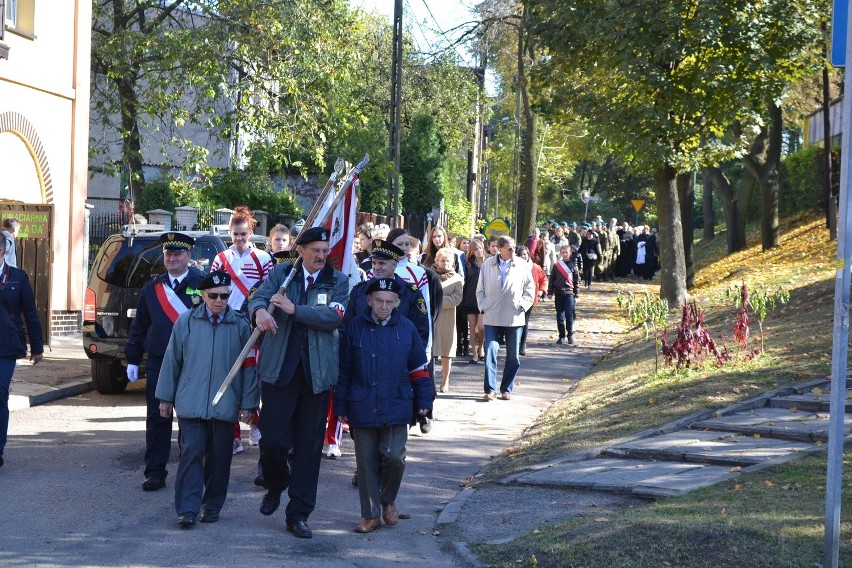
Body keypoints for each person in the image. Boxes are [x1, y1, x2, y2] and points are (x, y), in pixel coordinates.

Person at [250, 226, 349, 539]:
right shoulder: (282, 274)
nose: (322, 256)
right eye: (316, 251)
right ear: (301, 250)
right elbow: (258, 298)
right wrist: (258, 314)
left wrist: (296, 310)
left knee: (308, 448)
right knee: (272, 441)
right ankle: (276, 483)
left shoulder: (338, 280)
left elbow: (334, 317)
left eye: (325, 250)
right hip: (280, 371)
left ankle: (299, 514)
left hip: (316, 377)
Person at [155, 270, 258, 528]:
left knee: (220, 459)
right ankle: (187, 510)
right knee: (191, 454)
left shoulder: (241, 325)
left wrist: (248, 404)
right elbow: (172, 361)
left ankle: (212, 505)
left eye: (224, 295)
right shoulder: (186, 321)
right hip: (191, 402)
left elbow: (249, 368)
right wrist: (165, 398)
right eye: (213, 295)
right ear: (203, 295)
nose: (219, 301)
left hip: (225, 405)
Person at [335, 278, 432, 534]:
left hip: (397, 403)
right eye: (379, 300)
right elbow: (344, 370)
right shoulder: (354, 327)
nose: (384, 306)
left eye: (390, 302)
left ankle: (387, 497)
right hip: (361, 403)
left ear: (397, 303)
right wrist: (340, 404)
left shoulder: (407, 328)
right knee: (365, 463)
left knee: (394, 456)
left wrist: (424, 401)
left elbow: (419, 369)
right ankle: (371, 515)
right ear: (369, 300)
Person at [125, 232, 204, 491]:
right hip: (160, 361)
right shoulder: (153, 287)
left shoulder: (203, 285)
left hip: (193, 362)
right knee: (158, 417)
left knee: (190, 419)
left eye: (177, 253)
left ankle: (189, 471)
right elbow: (140, 326)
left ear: (188, 256)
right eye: (168, 254)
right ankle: (155, 472)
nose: (171, 258)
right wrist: (133, 359)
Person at [211, 206, 272, 454]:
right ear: (230, 233)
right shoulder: (220, 260)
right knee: (231, 377)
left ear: (251, 232)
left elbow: (269, 291)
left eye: (243, 234)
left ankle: (256, 423)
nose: (239, 238)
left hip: (255, 325)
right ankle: (234, 434)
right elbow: (213, 292)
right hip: (228, 324)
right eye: (235, 234)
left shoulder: (264, 259)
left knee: (254, 377)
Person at [0, 236, 43, 468]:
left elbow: (30, 313)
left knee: (0, 395)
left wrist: (37, 347)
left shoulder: (17, 277)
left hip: (6, 347)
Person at [476, 236, 534, 401]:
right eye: (509, 248)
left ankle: (506, 388)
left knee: (513, 355)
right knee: (490, 351)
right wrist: (483, 305)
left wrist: (522, 305)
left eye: (514, 247)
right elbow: (480, 290)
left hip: (513, 316)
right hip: (492, 315)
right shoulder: (488, 264)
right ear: (499, 249)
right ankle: (490, 389)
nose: (513, 251)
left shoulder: (522, 265)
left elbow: (530, 288)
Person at [432, 248, 464, 393]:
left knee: (446, 350)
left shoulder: (457, 278)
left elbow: (456, 298)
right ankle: (429, 380)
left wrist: (438, 300)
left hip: (447, 318)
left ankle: (445, 380)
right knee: (431, 350)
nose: (445, 263)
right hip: (432, 317)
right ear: (436, 261)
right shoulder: (430, 276)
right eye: (442, 260)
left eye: (448, 260)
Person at [516, 245, 547, 357]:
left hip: (529, 298)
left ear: (528, 255)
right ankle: (516, 344)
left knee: (524, 321)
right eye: (520, 255)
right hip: (516, 298)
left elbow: (543, 279)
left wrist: (542, 290)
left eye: (525, 254)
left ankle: (522, 346)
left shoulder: (535, 267)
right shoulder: (514, 266)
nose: (523, 257)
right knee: (516, 322)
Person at [549, 244, 581, 345]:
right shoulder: (556, 266)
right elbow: (552, 280)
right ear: (560, 254)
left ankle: (570, 335)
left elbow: (576, 280)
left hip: (569, 293)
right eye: (563, 253)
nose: (565, 254)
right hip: (559, 293)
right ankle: (561, 336)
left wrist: (577, 293)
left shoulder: (573, 266)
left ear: (570, 253)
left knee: (569, 314)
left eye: (566, 252)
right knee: (560, 315)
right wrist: (550, 292)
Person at [461, 238, 485, 364]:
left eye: (480, 248)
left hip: (484, 300)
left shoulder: (488, 262)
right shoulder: (468, 263)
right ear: (472, 250)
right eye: (476, 249)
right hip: (470, 298)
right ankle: (474, 354)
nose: (479, 251)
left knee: (481, 328)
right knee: (473, 328)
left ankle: (481, 349)